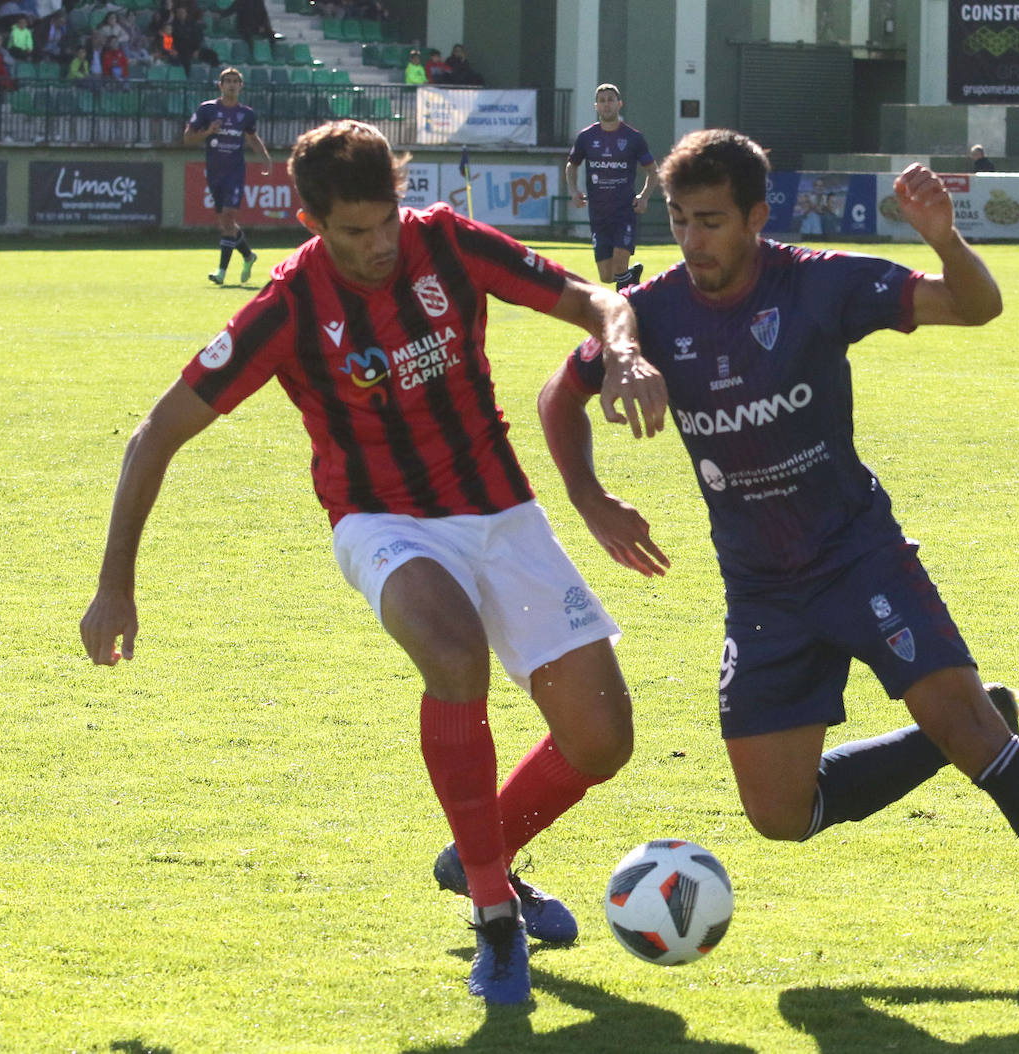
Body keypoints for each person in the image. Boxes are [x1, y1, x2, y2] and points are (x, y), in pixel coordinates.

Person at [538, 128, 1019, 1007]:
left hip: (857, 558)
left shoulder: (821, 282)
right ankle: (945, 734)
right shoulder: (651, 312)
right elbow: (554, 396)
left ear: (758, 217)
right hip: (762, 589)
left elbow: (975, 306)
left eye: (713, 222)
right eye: (681, 220)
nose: (694, 242)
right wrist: (591, 497)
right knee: (778, 816)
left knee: (980, 743)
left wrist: (945, 239)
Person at [80, 120, 667, 1007]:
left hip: (501, 511)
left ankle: (478, 850)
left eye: (384, 221)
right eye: (353, 232)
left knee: (602, 738)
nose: (377, 245)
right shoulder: (284, 307)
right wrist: (114, 582)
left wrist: (620, 350)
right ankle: (494, 918)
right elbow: (155, 434)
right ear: (312, 223)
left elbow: (599, 300)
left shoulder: (449, 244)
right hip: (385, 523)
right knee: (456, 656)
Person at [183, 67, 272, 286]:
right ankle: (249, 256)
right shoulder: (207, 110)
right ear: (220, 85)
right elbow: (187, 138)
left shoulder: (246, 114)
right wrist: (207, 132)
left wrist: (266, 158)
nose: (232, 85)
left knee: (229, 216)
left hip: (235, 171)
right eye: (228, 81)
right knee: (225, 223)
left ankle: (221, 271)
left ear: (241, 86)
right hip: (214, 171)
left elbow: (252, 137)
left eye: (235, 81)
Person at [564, 82, 658, 290]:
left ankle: (629, 310)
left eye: (610, 100)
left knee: (619, 263)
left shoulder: (633, 137)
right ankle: (630, 277)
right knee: (607, 276)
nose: (606, 105)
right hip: (598, 212)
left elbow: (652, 171)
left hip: (625, 211)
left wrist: (643, 196)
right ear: (596, 106)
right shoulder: (586, 137)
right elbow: (572, 165)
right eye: (602, 101)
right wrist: (573, 190)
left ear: (619, 104)